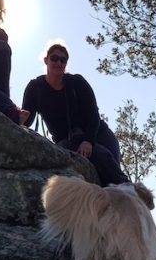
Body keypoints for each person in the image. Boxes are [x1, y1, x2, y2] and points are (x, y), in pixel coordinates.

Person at [21, 43, 130, 186]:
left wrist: (88, 141)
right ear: (46, 60)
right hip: (66, 140)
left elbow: (93, 115)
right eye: (54, 58)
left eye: (63, 60)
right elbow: (27, 119)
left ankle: (130, 195)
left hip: (98, 133)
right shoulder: (35, 87)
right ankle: (130, 190)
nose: (58, 62)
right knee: (102, 157)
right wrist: (19, 117)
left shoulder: (77, 83)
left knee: (112, 166)